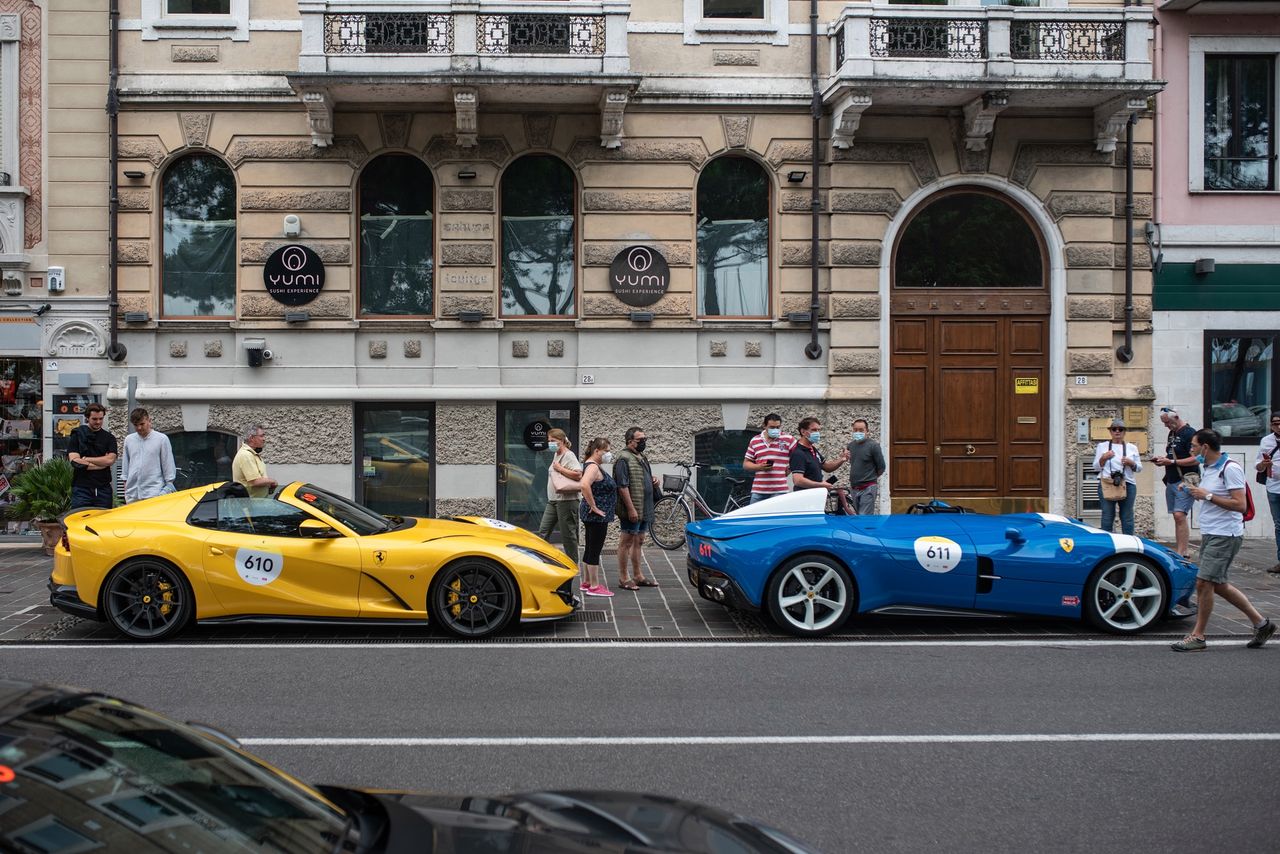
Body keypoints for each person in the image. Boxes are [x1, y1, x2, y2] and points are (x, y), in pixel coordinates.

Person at [1172, 428, 1275, 652]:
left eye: (1194, 446)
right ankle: (1262, 624)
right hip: (1212, 533)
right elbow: (1210, 493)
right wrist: (1193, 490)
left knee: (1203, 582)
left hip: (1225, 535)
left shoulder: (1231, 468)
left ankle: (1198, 635)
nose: (1192, 449)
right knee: (1218, 584)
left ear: (1206, 447)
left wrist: (1206, 495)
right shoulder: (1208, 467)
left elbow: (1240, 505)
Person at [614, 426, 660, 590]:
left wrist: (653, 480)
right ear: (630, 441)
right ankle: (623, 578)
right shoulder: (623, 459)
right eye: (640, 440)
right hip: (633, 507)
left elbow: (641, 477)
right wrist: (631, 509)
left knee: (639, 540)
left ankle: (638, 575)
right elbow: (622, 486)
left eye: (645, 439)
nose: (644, 442)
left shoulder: (641, 456)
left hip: (644, 506)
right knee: (626, 541)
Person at [1152, 407, 1199, 558]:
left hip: (1185, 479)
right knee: (1176, 516)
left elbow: (1196, 459)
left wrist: (1171, 461)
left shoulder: (1190, 433)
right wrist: (1162, 460)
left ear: (1176, 417)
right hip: (1171, 479)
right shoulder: (1172, 433)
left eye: (1167, 422)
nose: (1166, 425)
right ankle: (1181, 550)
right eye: (1164, 423)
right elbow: (1171, 454)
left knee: (1180, 515)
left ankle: (1182, 552)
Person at [578, 437, 617, 598]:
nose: (608, 454)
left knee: (590, 546)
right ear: (597, 451)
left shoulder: (592, 465)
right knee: (595, 549)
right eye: (606, 451)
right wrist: (594, 506)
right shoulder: (593, 467)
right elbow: (584, 484)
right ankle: (594, 585)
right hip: (596, 515)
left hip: (595, 515)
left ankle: (587, 581)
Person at [536, 427, 581, 566]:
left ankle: (573, 563)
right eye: (549, 441)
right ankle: (538, 559)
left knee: (568, 535)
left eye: (553, 440)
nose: (550, 443)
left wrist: (560, 469)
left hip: (566, 501)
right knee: (543, 531)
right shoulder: (557, 454)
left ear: (561, 441)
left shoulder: (569, 455)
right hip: (553, 501)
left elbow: (578, 474)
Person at [1093, 419, 1141, 535]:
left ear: (1125, 432)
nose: (1117, 431)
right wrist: (1104, 457)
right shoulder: (1102, 446)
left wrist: (1131, 463)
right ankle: (1107, 543)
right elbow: (1096, 467)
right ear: (1110, 432)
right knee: (1107, 515)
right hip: (1107, 483)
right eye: (1114, 429)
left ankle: (1129, 544)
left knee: (1127, 516)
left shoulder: (1132, 448)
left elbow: (1139, 468)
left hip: (1127, 484)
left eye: (1121, 429)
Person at [66, 403, 118, 510]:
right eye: (94, 419)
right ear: (87, 418)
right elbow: (75, 461)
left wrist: (86, 459)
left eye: (101, 419)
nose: (98, 422)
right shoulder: (77, 435)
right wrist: (101, 464)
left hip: (103, 488)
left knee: (103, 522)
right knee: (80, 521)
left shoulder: (109, 438)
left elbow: (110, 460)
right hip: (81, 488)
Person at [121, 407, 176, 503]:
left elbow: (168, 467)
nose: (139, 428)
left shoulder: (161, 439)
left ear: (149, 420)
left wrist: (164, 491)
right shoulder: (129, 440)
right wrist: (126, 489)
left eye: (142, 424)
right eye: (136, 425)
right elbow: (126, 466)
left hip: (154, 494)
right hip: (132, 495)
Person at [743, 413, 795, 503]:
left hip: (780, 490)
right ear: (764, 426)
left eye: (778, 427)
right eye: (772, 427)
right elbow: (746, 464)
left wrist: (790, 468)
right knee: (755, 516)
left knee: (778, 517)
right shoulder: (755, 440)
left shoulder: (788, 439)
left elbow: (800, 456)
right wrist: (759, 467)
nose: (775, 430)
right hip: (759, 490)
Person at [789, 417, 848, 491]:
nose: (817, 433)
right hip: (805, 497)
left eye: (818, 430)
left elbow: (827, 467)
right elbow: (798, 480)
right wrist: (821, 485)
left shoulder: (812, 449)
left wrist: (842, 459)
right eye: (814, 430)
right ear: (803, 432)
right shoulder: (798, 453)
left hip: (816, 495)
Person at [845, 418, 886, 515]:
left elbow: (881, 467)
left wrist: (870, 478)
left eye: (861, 430)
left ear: (867, 431)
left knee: (864, 517)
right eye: (855, 430)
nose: (857, 432)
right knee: (858, 515)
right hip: (854, 488)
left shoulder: (873, 446)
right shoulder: (850, 446)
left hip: (868, 488)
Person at [1255, 411, 1280, 574]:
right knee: (1279, 525)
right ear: (1271, 425)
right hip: (1274, 487)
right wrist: (1264, 464)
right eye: (1275, 423)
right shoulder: (1266, 441)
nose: (1278, 426)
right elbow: (1258, 466)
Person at [232, 424, 277, 498]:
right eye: (261, 436)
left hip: (256, 503)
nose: (264, 439)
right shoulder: (246, 455)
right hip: (251, 505)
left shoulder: (252, 453)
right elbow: (255, 481)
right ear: (252, 438)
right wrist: (273, 481)